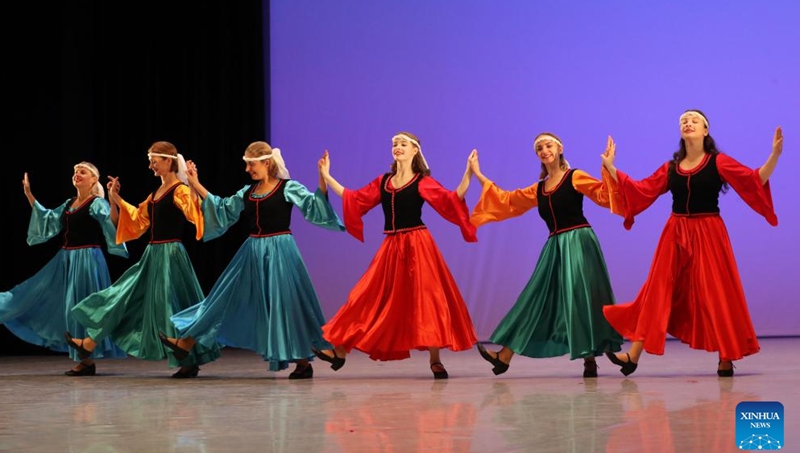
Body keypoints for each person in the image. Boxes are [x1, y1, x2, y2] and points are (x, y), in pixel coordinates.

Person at [601, 110, 782, 377]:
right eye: (683, 121)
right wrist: (611, 168)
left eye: (694, 120)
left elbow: (755, 180)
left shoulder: (719, 162)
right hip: (675, 232)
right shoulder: (670, 168)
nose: (688, 123)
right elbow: (642, 190)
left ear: (705, 130)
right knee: (657, 291)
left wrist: (775, 155)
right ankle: (633, 356)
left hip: (709, 231)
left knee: (716, 293)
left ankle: (727, 355)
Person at [158, 141, 345, 379]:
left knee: (285, 305)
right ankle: (186, 342)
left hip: (280, 251)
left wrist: (322, 177)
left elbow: (314, 206)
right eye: (247, 165)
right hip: (252, 251)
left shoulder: (288, 188)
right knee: (222, 297)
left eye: (251, 165)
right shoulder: (247, 192)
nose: (248, 170)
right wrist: (195, 183)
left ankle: (308, 359)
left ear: (267, 162)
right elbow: (223, 208)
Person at [311, 132, 478, 379]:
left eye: (403, 144)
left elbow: (451, 199)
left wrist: (468, 173)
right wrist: (327, 176)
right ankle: (340, 352)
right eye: (394, 144)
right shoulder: (384, 182)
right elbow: (354, 198)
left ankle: (435, 360)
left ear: (414, 151)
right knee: (367, 297)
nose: (397, 147)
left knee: (428, 298)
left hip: (419, 245)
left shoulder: (422, 181)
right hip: (391, 246)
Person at [470, 133, 624, 378]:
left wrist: (608, 166)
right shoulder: (539, 189)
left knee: (580, 298)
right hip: (554, 246)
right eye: (539, 148)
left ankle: (589, 358)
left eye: (548, 145)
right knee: (534, 298)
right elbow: (507, 201)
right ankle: (504, 356)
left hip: (579, 242)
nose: (544, 150)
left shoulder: (575, 177)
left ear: (560, 148)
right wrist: (478, 175)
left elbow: (603, 195)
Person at [65, 141, 221, 378]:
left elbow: (195, 215)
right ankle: (89, 342)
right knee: (123, 296)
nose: (150, 165)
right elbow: (138, 221)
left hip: (171, 255)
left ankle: (187, 360)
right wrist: (115, 197)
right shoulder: (155, 194)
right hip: (153, 254)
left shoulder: (179, 190)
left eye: (154, 160)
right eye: (150, 160)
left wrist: (194, 184)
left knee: (171, 304)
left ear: (168, 161)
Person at [0, 163, 128, 376]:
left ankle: (84, 360)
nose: (77, 174)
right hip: (66, 259)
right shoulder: (70, 204)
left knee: (79, 306)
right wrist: (29, 195)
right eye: (75, 172)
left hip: (87, 259)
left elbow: (111, 223)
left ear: (93, 180)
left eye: (82, 172)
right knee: (42, 295)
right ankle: (84, 359)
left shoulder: (96, 203)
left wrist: (113, 199)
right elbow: (48, 218)